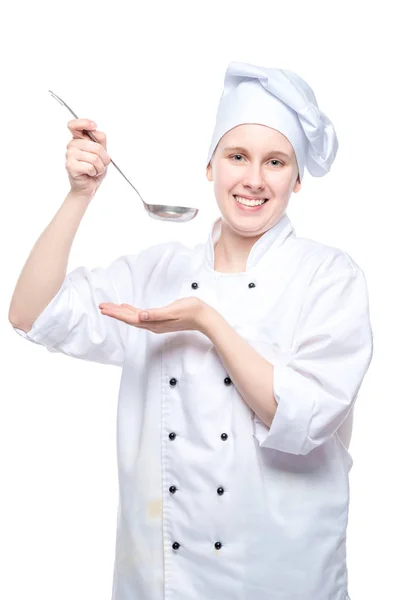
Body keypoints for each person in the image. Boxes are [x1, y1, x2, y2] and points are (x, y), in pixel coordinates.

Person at [8, 61, 373, 600]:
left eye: (275, 162)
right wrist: (79, 196)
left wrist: (206, 321)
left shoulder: (328, 277)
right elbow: (30, 315)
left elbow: (300, 415)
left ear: (297, 179)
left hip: (285, 577)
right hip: (160, 582)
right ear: (210, 167)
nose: (253, 179)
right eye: (237, 157)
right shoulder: (159, 271)